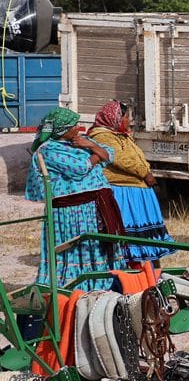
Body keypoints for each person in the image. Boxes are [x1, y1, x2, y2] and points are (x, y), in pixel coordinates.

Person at [25, 107, 114, 290]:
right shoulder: (49, 151)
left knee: (94, 247)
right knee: (75, 247)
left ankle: (98, 284)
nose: (78, 128)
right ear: (62, 130)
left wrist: (90, 146)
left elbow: (109, 154)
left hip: (89, 208)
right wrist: (96, 155)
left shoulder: (81, 141)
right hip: (70, 212)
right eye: (74, 126)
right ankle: (74, 286)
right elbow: (80, 167)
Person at [87, 100, 173, 262]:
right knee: (127, 231)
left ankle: (146, 266)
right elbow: (121, 159)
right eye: (126, 117)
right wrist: (145, 173)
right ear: (115, 118)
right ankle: (130, 266)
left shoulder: (118, 134)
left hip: (136, 190)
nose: (128, 121)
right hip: (123, 191)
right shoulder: (102, 137)